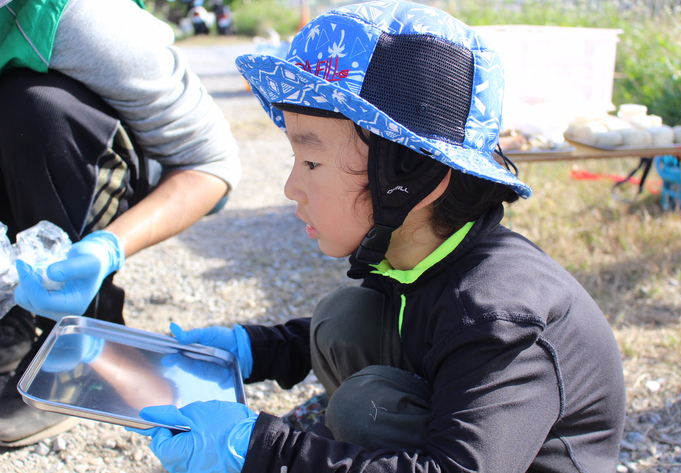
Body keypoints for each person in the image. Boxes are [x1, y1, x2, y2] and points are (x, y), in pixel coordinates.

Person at [130, 1, 627, 471]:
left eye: (311, 161)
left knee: (364, 408)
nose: (290, 187)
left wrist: (263, 452)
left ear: (409, 174)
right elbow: (405, 329)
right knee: (344, 318)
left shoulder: (498, 314)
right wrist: (250, 349)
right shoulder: (423, 251)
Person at [0, 0, 240, 447]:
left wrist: (108, 245)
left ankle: (77, 350)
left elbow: (213, 167)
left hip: (93, 159)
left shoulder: (78, 20)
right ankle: (10, 320)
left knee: (32, 110)